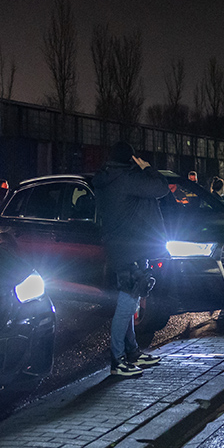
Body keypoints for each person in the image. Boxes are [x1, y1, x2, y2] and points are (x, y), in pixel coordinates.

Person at [92, 142, 171, 378]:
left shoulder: (108, 177)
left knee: (128, 304)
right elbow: (161, 188)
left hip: (120, 247)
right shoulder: (125, 179)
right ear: (130, 159)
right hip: (130, 249)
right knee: (126, 305)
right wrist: (148, 168)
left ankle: (133, 352)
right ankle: (117, 361)